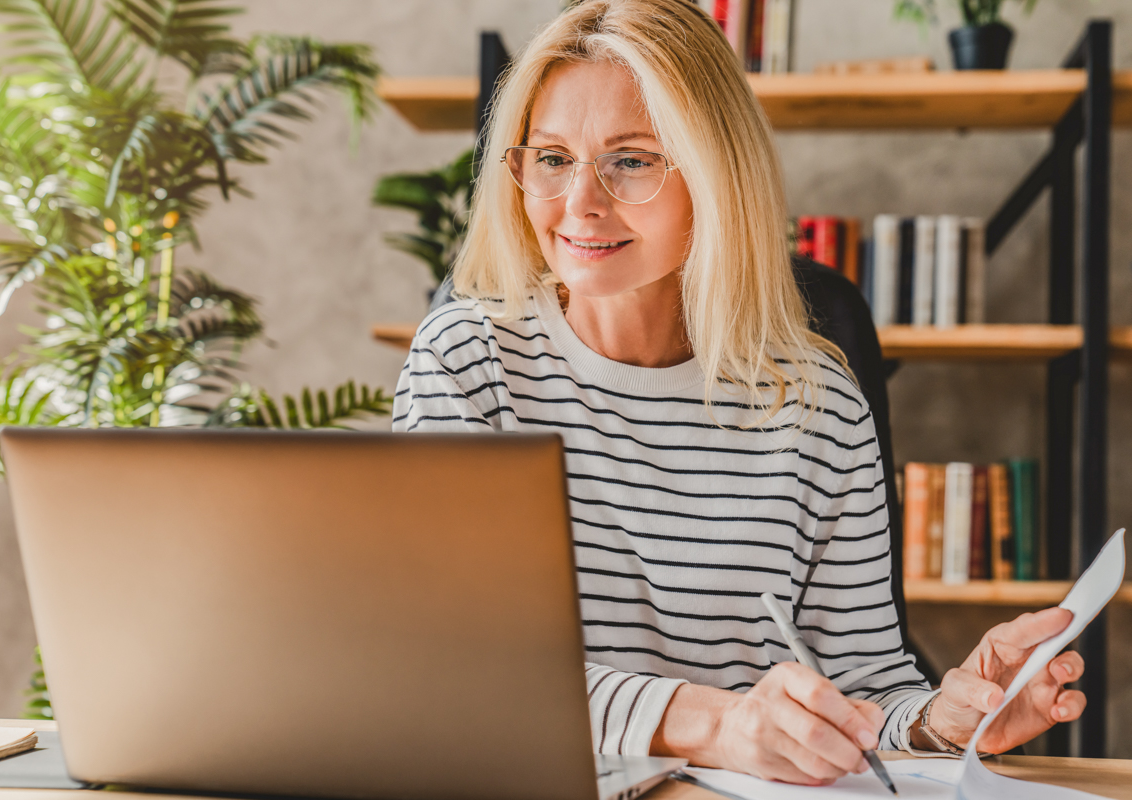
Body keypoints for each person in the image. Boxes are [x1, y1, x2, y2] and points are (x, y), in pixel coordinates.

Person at [391, 0, 1086, 786]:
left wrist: (943, 721)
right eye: (551, 158)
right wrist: (715, 723)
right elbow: (459, 671)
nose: (580, 203)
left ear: (716, 175)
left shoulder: (819, 400)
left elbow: (860, 690)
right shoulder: (468, 364)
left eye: (631, 160)